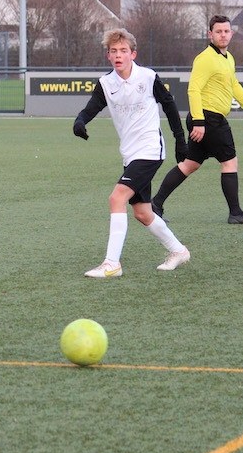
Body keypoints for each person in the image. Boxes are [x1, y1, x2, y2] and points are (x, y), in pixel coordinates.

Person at [73, 28, 191, 278]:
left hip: (150, 149)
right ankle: (178, 251)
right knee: (142, 212)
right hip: (130, 154)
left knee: (116, 198)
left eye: (123, 51)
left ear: (133, 54)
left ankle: (112, 264)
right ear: (108, 55)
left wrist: (180, 140)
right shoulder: (106, 83)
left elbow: (169, 105)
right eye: (113, 51)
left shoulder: (147, 77)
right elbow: (91, 107)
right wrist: (80, 121)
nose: (118, 55)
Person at [151, 14, 243, 224]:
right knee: (229, 162)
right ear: (210, 34)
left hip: (207, 120)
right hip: (209, 120)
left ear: (232, 33)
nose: (223, 35)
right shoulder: (205, 59)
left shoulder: (228, 58)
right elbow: (194, 89)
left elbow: (234, 85)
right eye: (218, 31)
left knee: (189, 164)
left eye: (226, 31)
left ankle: (155, 204)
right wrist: (199, 122)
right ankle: (236, 213)